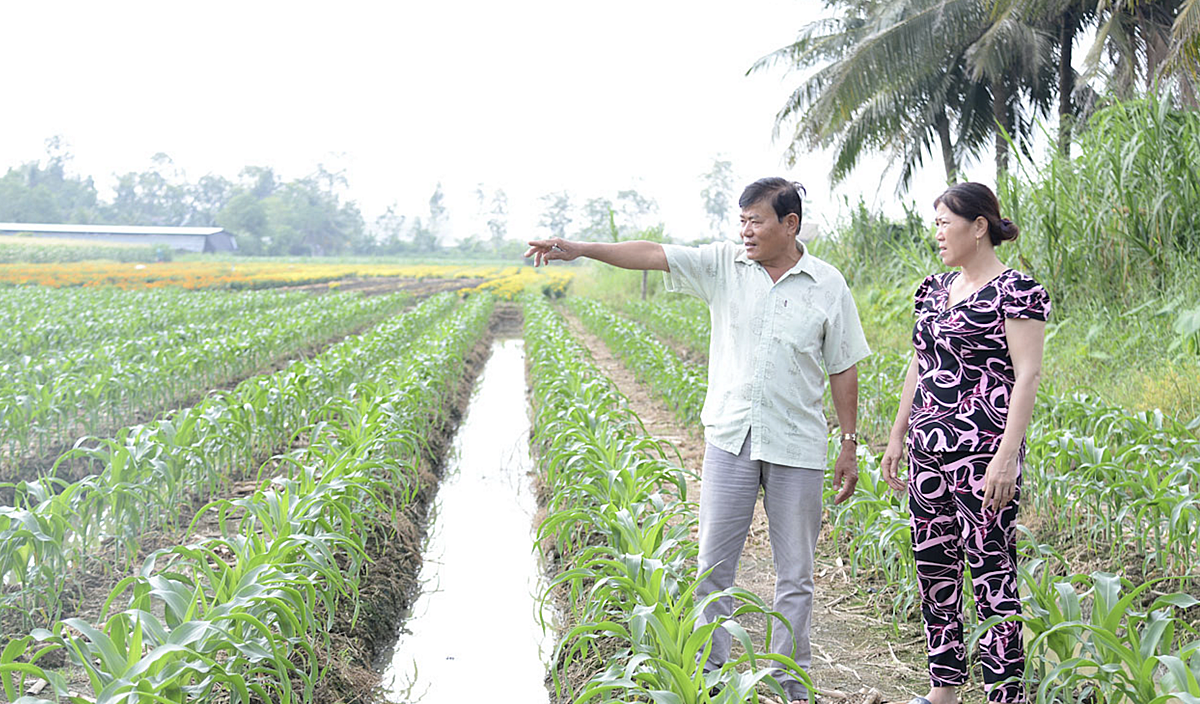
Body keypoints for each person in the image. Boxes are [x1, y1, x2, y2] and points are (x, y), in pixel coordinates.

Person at [526, 177, 870, 702]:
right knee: (712, 568)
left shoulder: (828, 284)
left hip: (797, 446)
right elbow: (652, 253)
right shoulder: (723, 265)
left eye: (756, 220)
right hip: (731, 438)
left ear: (790, 224)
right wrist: (581, 249)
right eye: (742, 220)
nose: (745, 230)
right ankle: (709, 677)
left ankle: (787, 685)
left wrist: (848, 442)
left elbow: (843, 367)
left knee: (795, 574)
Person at [881, 182, 1049, 704]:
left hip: (983, 456)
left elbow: (1028, 375)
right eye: (934, 224)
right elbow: (920, 362)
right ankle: (945, 690)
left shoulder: (1016, 291)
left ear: (979, 226)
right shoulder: (933, 289)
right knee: (934, 567)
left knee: (992, 572)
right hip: (928, 451)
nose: (937, 234)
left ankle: (1006, 694)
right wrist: (897, 434)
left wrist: (1006, 457)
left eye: (943, 223)